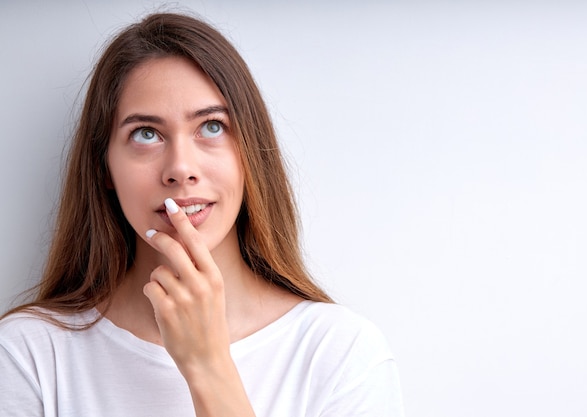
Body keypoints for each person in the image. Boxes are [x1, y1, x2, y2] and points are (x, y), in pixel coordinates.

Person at [0, 12, 404, 417]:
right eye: (146, 133)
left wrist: (208, 367)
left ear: (250, 151)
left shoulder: (341, 355)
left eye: (211, 127)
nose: (180, 168)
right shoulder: (28, 355)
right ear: (104, 167)